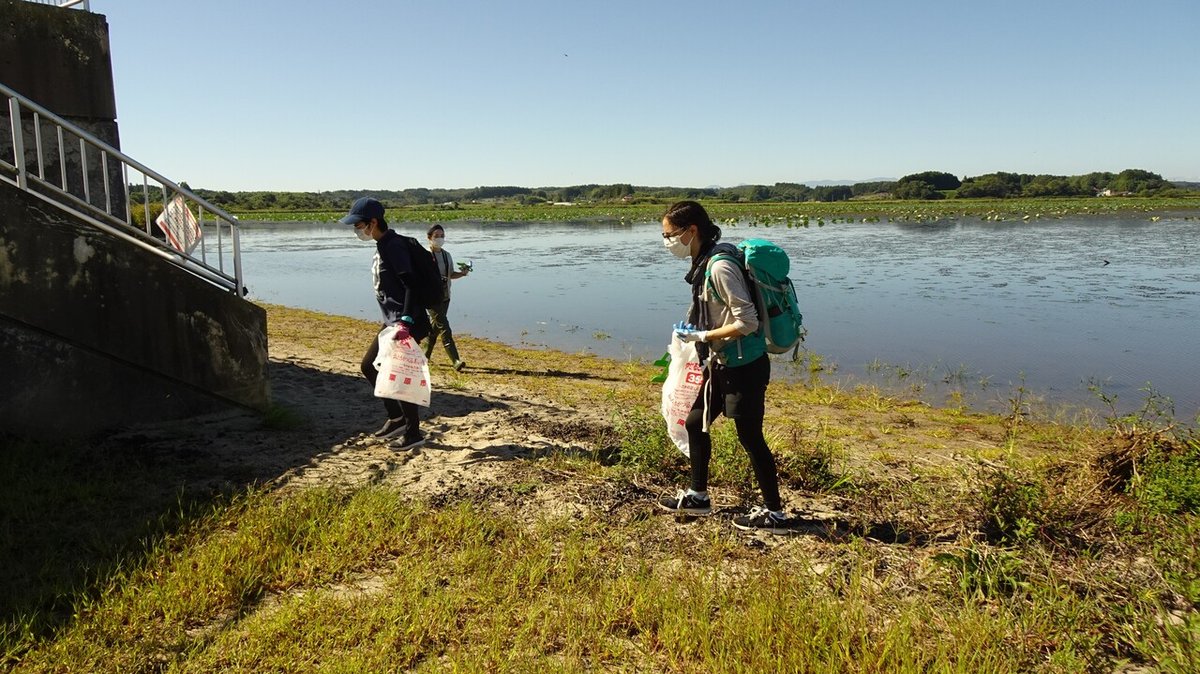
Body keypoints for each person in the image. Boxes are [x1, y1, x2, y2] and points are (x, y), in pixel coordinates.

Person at [657, 200, 790, 533]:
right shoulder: (705, 263)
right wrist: (693, 335)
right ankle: (698, 495)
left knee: (750, 437)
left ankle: (775, 513)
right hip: (720, 362)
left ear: (692, 231)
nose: (667, 242)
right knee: (694, 422)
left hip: (744, 365)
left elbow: (748, 321)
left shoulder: (719, 266)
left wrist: (705, 333)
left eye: (669, 234)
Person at [340, 197, 431, 451]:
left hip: (406, 322)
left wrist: (405, 321)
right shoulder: (383, 245)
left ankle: (413, 432)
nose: (356, 230)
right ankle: (397, 418)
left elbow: (410, 283)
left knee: (400, 375)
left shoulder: (393, 246)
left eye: (358, 225)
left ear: (373, 222)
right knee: (369, 366)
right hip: (392, 320)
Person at [422, 224, 470, 371]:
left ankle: (423, 357)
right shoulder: (424, 255)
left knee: (434, 328)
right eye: (436, 236)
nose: (439, 239)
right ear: (429, 238)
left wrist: (462, 273)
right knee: (445, 327)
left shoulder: (446, 255)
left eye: (442, 236)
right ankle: (455, 360)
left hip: (445, 297)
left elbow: (450, 275)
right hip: (431, 298)